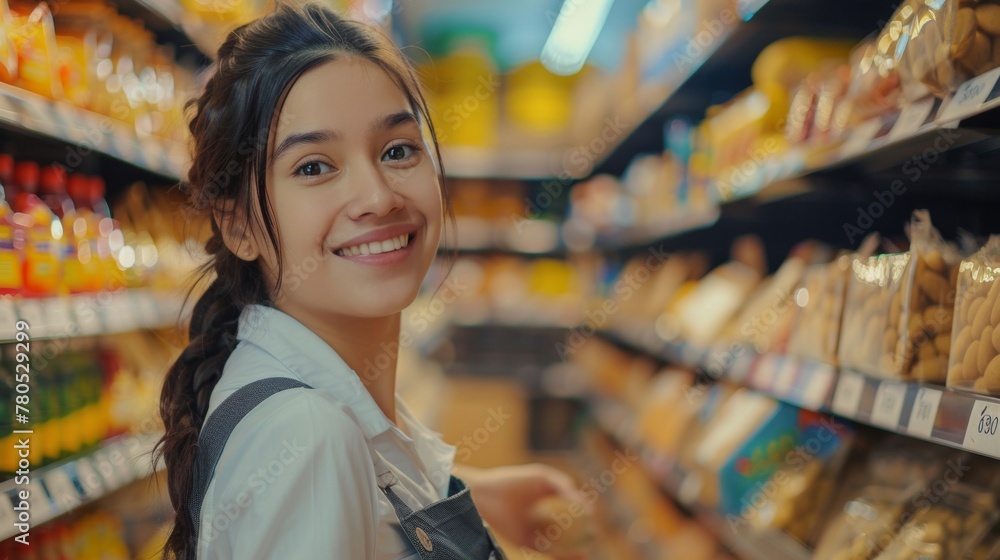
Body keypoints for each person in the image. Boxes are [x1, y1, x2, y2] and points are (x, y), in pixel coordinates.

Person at [152, 3, 590, 559]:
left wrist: (475, 495)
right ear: (238, 225)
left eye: (398, 150)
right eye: (314, 166)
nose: (380, 197)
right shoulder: (308, 439)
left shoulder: (325, 411)